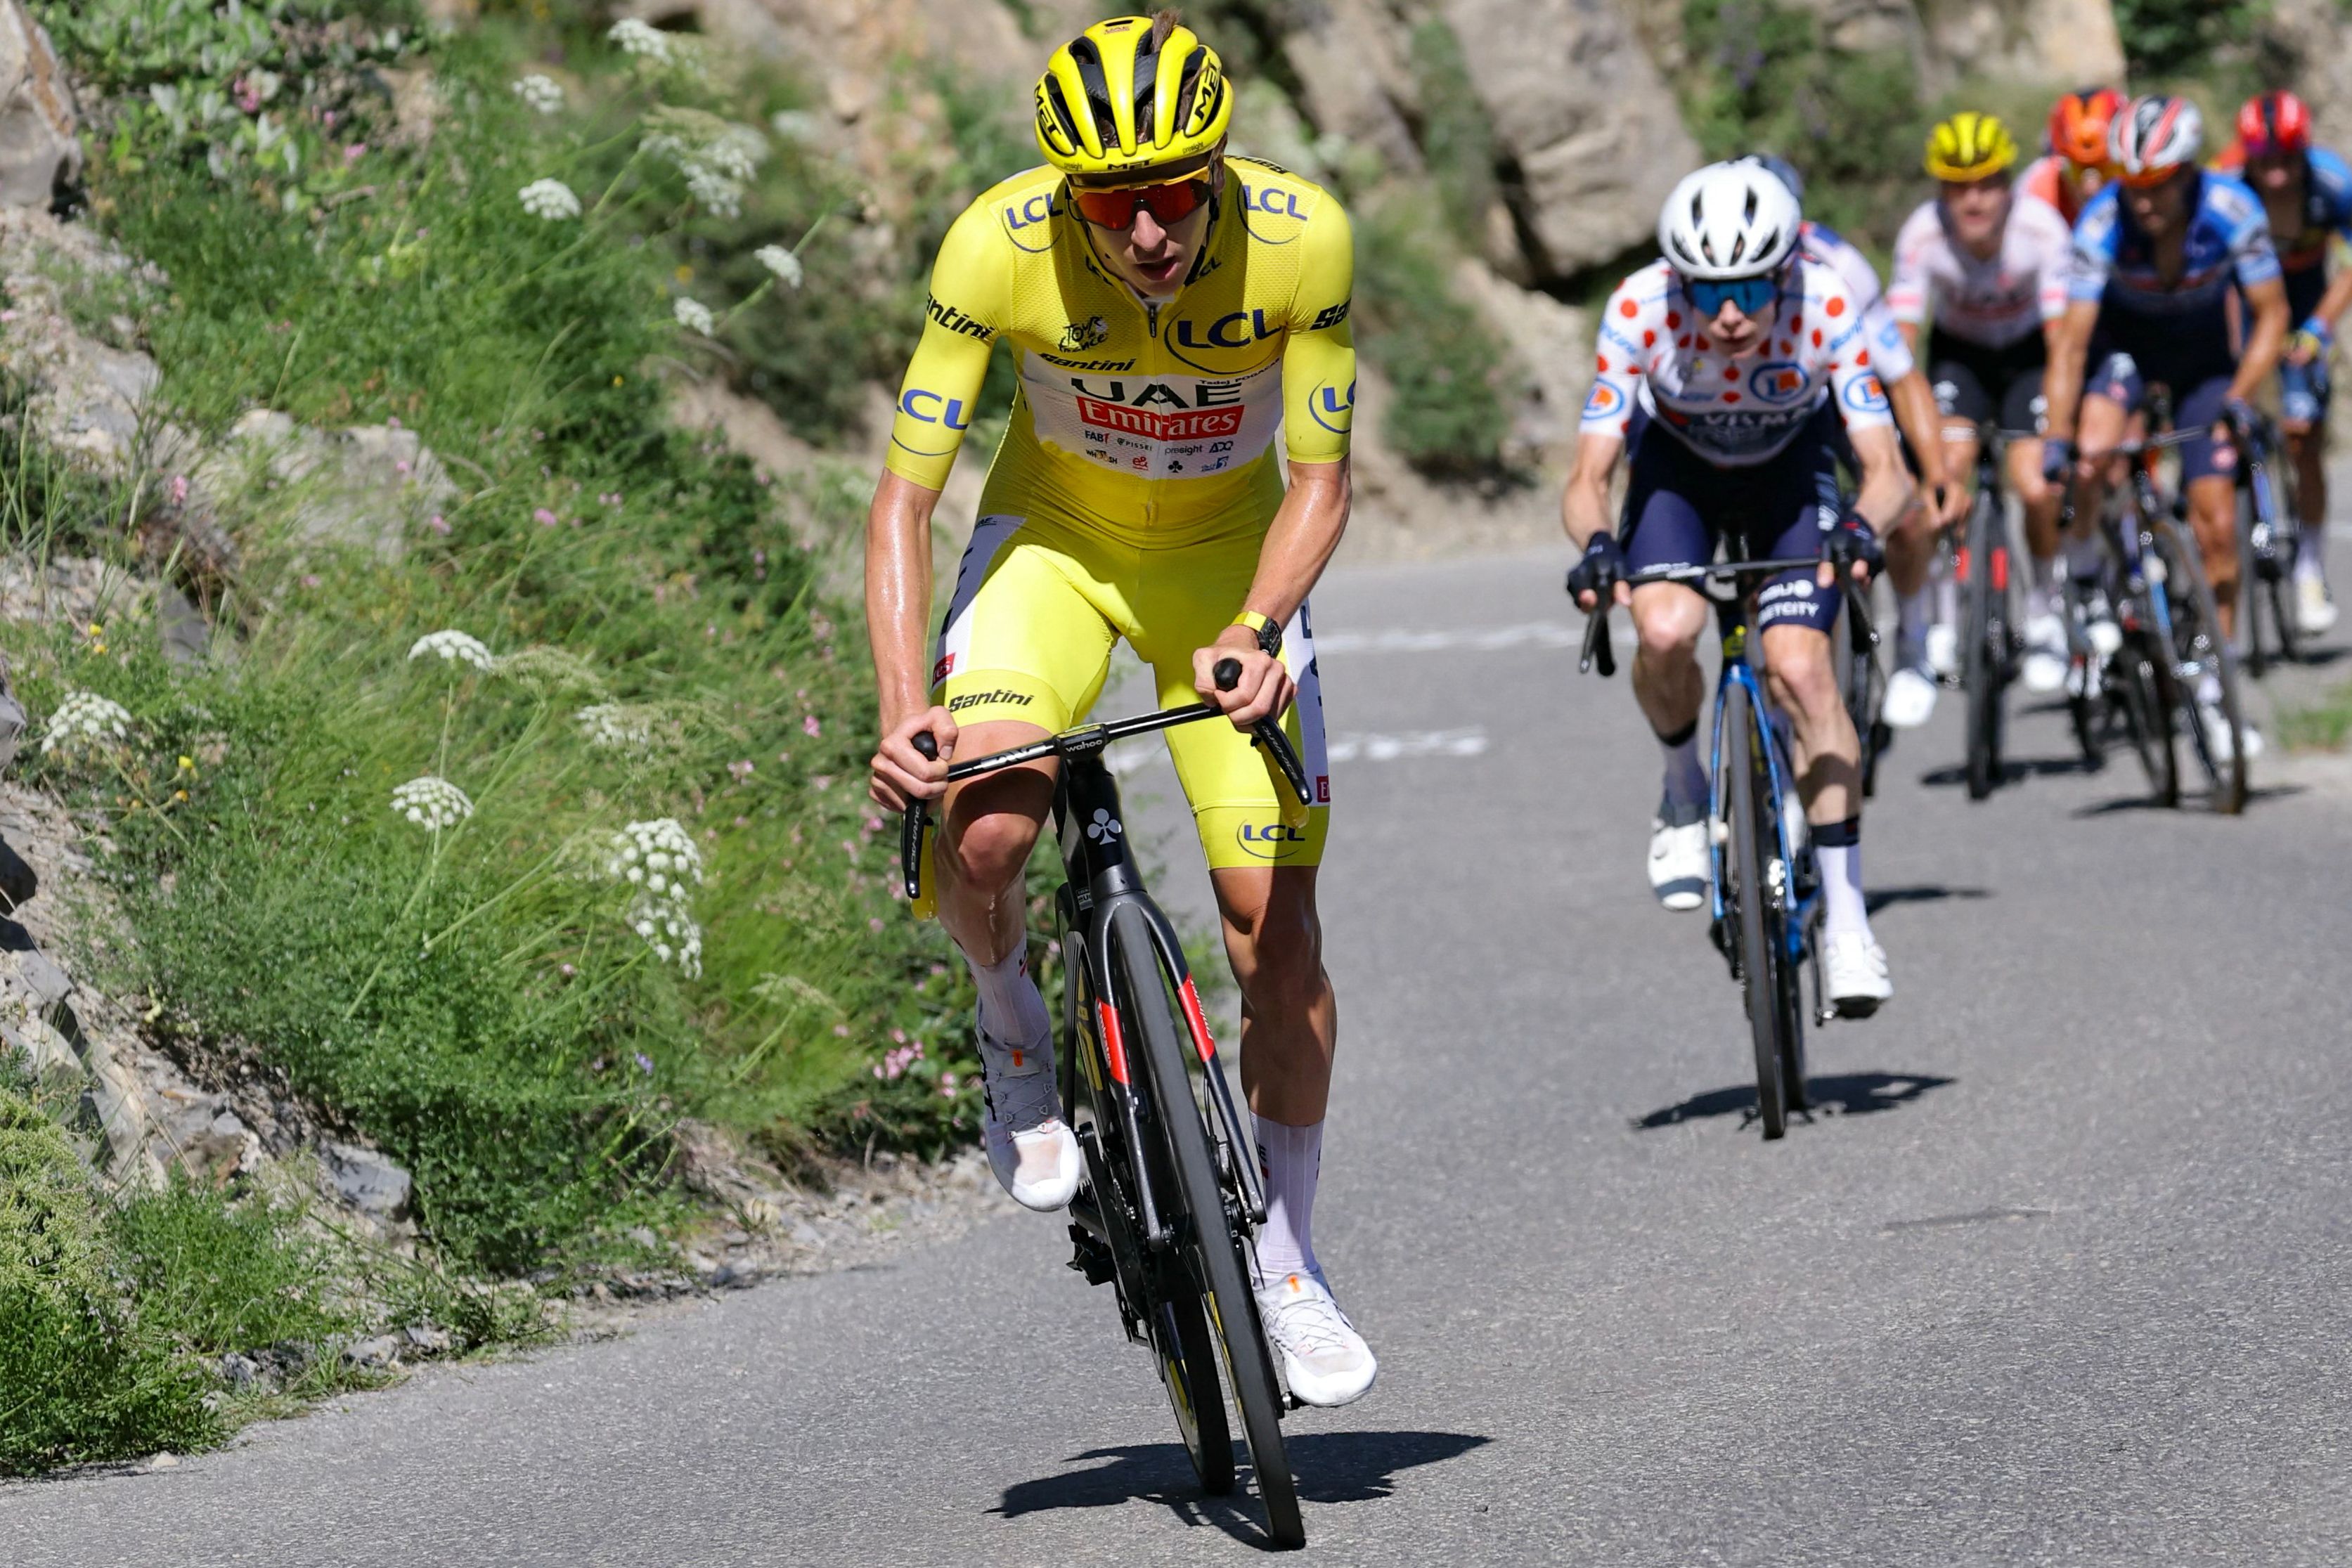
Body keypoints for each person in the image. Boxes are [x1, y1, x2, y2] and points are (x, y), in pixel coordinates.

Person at [861, 13, 1376, 1407]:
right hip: (1053, 548)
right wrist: (906, 707)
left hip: (1225, 563)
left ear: (1217, 165)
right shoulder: (994, 246)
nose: (1147, 229)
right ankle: (1009, 1023)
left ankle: (1286, 1253)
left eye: (1172, 192)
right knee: (980, 837)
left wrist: (1263, 631)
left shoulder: (1301, 239)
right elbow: (906, 500)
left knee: (1277, 931)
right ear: (1065, 193)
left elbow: (1321, 481)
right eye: (1111, 200)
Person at [1564, 160, 1911, 1013]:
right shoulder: (1640, 307)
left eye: (1751, 289)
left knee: (1800, 668)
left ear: (1784, 272)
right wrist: (1599, 545)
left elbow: (1885, 467)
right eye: (1706, 289)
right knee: (1667, 629)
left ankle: (1848, 923)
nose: (1726, 314)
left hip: (1788, 474)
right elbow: (1587, 475)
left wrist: (1865, 525)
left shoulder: (1825, 302)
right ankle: (1683, 790)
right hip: (1678, 474)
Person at [2041, 95, 2289, 760]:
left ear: (2188, 174)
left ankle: (2212, 682)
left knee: (2214, 521)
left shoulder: (2234, 211)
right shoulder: (2100, 223)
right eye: (2133, 187)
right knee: (2093, 454)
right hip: (2124, 352)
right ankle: (2090, 569)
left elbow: (2270, 316)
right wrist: (2059, 438)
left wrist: (2241, 397)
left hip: (2204, 363)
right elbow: (2070, 345)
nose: (2143, 203)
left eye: (2158, 186)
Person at [1747, 155, 1961, 710]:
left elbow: (1902, 376)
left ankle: (1913, 640)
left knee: (1907, 512)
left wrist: (1935, 471)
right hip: (1758, 414)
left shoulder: (1839, 265)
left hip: (1837, 397)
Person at [1885, 112, 2077, 703]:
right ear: (1940, 189)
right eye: (1956, 184)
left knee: (2037, 485)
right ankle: (1939, 615)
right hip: (1958, 358)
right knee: (1946, 468)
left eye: (1987, 183)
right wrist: (1920, 451)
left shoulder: (2042, 230)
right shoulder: (1921, 235)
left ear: (2008, 183)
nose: (1973, 199)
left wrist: (2057, 429)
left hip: (2026, 359)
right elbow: (1899, 342)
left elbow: (2062, 340)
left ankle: (2045, 609)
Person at [2214, 89, 2348, 633]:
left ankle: (2310, 566)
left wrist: (2318, 327)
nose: (2275, 175)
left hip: (2307, 296)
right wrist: (2229, 355)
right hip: (2240, 299)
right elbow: (2210, 277)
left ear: (2305, 152)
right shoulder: (2222, 185)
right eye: (2264, 161)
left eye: (2288, 160)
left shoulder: (2334, 181)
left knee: (2301, 434)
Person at [2024, 88, 2124, 226]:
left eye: (2105, 168)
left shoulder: (2144, 193)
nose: (2091, 188)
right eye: (2077, 170)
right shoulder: (2038, 194)